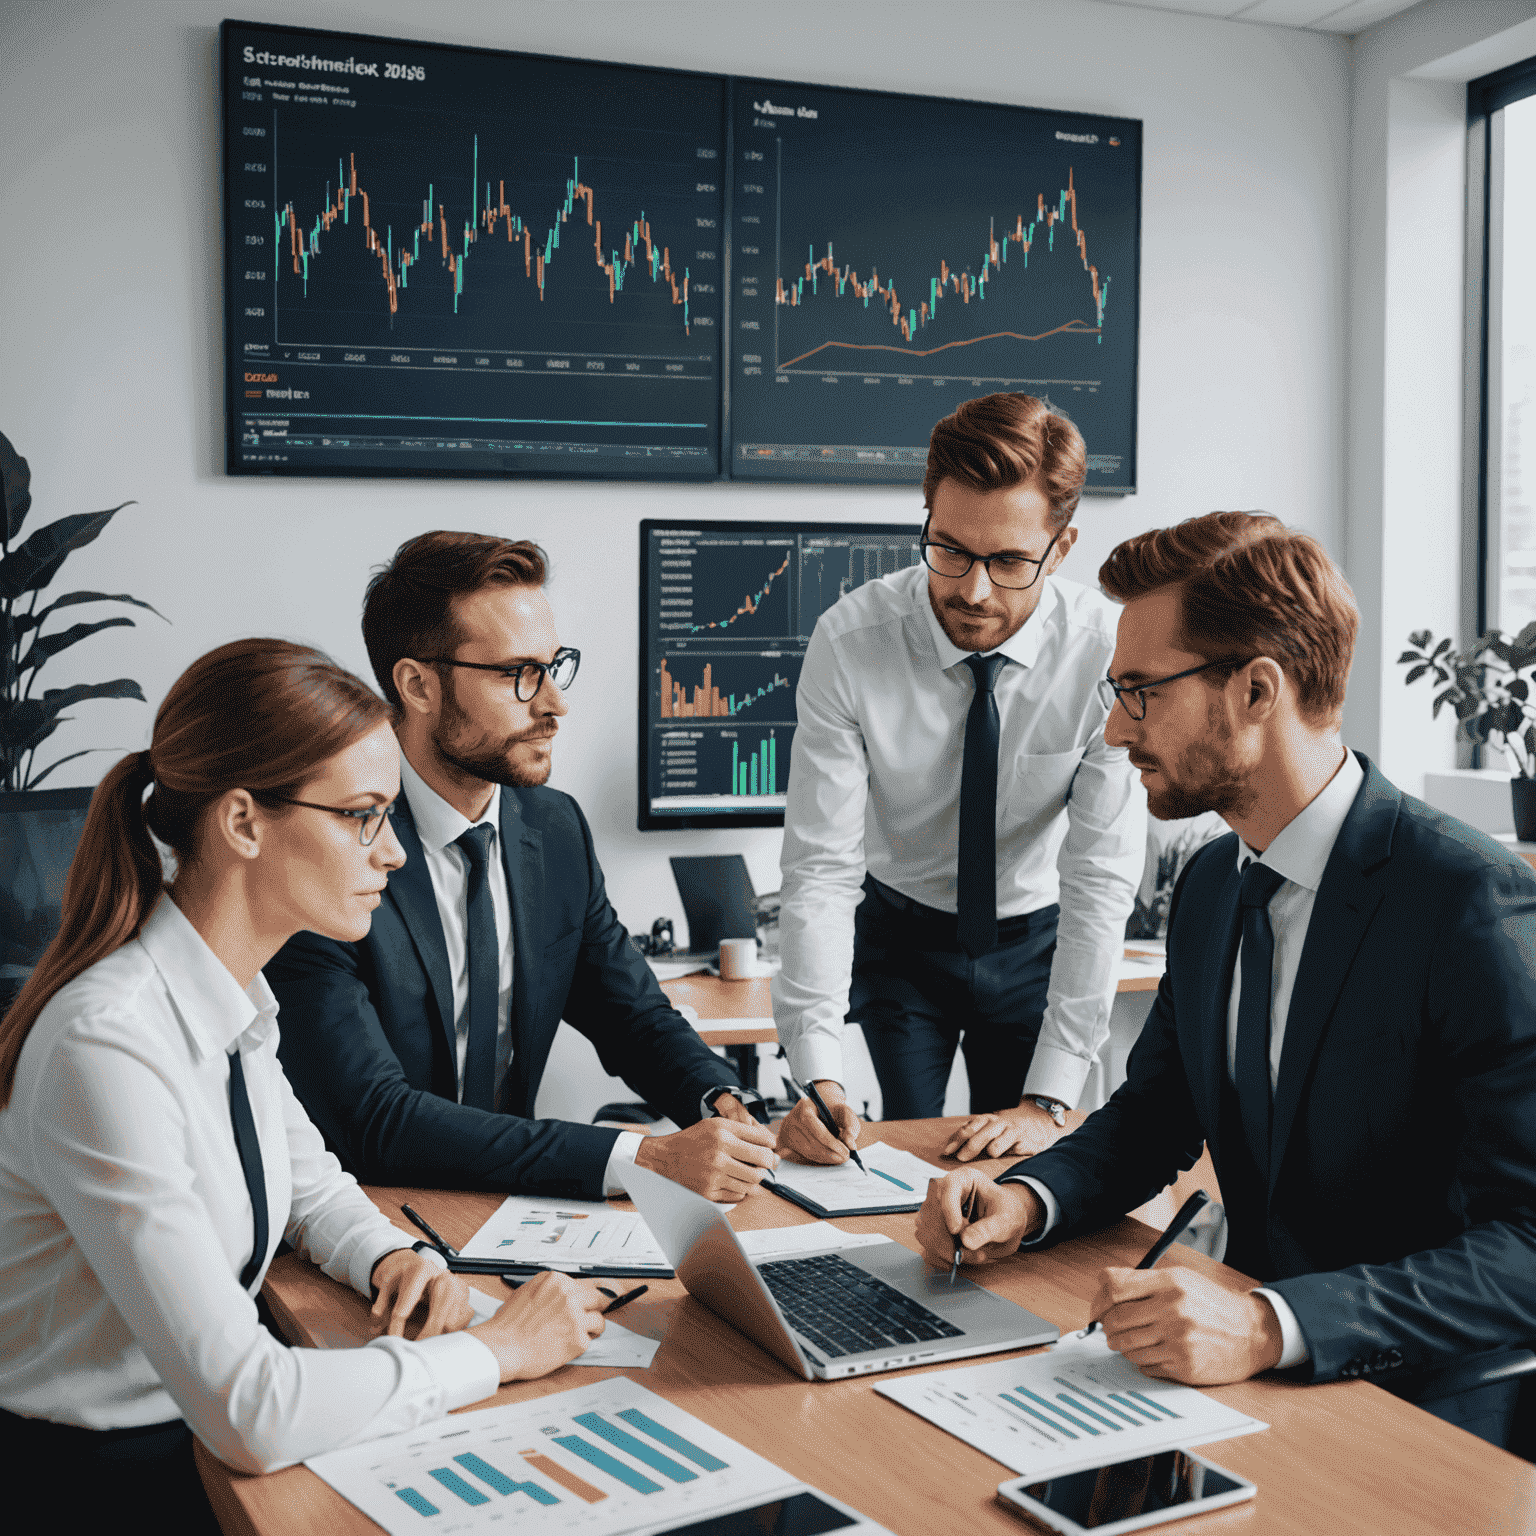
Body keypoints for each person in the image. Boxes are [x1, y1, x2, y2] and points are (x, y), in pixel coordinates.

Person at [915, 512, 1536, 1448]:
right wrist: (1027, 1199)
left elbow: (1528, 1245)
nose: (1118, 728)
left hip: (1416, 1415)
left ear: (1255, 690)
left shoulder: (1466, 903)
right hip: (1228, 1385)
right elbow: (1154, 1116)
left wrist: (1268, 1323)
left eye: (1140, 693)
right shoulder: (1213, 883)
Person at [0, 639, 609, 1531]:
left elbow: (310, 1186)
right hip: (98, 1483)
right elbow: (249, 1410)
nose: (394, 854)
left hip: (187, 1446)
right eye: (364, 815)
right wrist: (499, 1349)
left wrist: (395, 1257)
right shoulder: (109, 1045)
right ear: (243, 823)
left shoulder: (233, 992)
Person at [268, 532, 778, 1204]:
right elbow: (373, 1118)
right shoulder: (332, 845)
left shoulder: (552, 827)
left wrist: (723, 1101)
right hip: (365, 1214)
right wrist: (639, 1159)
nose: (554, 704)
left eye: (553, 665)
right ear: (418, 685)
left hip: (523, 1205)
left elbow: (634, 1016)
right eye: (518, 675)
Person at [773, 393, 1146, 1167]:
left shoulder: (1106, 655)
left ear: (1062, 546)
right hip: (901, 940)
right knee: (893, 1157)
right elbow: (821, 868)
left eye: (1008, 562)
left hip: (1036, 941)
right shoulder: (851, 642)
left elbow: (1101, 879)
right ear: (926, 519)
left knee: (1022, 1165)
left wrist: (1051, 1097)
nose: (972, 592)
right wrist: (816, 1071)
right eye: (948, 550)